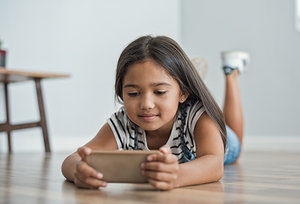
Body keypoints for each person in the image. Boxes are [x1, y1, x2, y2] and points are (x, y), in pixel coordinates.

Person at [61, 35, 249, 190]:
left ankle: (231, 72)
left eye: (159, 92)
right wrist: (79, 170)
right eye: (133, 93)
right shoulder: (123, 122)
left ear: (183, 93)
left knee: (234, 142)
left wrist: (177, 176)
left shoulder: (199, 115)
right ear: (121, 93)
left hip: (222, 142)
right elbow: (72, 160)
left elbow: (214, 164)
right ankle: (181, 80)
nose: (146, 104)